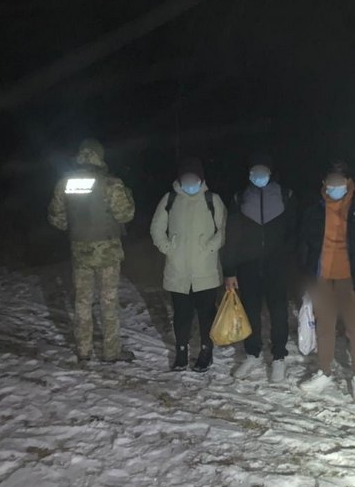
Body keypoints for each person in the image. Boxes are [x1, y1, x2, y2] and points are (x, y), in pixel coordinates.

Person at [48, 139, 136, 363]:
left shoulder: (64, 183)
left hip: (80, 252)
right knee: (108, 301)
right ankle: (111, 352)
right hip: (107, 252)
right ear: (100, 155)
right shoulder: (111, 184)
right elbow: (126, 215)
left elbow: (57, 219)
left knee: (82, 302)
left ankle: (84, 350)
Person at [298, 160, 355, 402]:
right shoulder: (314, 208)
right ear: (324, 184)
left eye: (339, 183)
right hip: (323, 278)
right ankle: (324, 372)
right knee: (324, 328)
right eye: (330, 183)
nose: (335, 187)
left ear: (348, 183)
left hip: (351, 278)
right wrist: (307, 278)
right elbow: (303, 244)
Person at [222, 153, 297, 383]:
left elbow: (293, 233)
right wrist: (229, 271)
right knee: (250, 312)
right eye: (255, 171)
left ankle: (278, 359)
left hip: (276, 266)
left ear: (271, 172)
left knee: (279, 313)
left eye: (263, 171)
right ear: (249, 173)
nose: (259, 175)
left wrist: (289, 261)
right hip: (248, 267)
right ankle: (252, 354)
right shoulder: (240, 198)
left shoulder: (286, 196)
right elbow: (232, 236)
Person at [150, 157, 227, 373]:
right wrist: (167, 247)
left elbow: (223, 229)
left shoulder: (213, 200)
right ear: (180, 179)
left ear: (201, 179)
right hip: (178, 271)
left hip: (205, 271)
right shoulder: (170, 199)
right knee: (181, 316)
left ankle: (205, 351)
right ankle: (181, 353)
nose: (190, 183)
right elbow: (156, 228)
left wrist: (210, 246)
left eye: (194, 179)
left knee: (206, 315)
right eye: (186, 179)